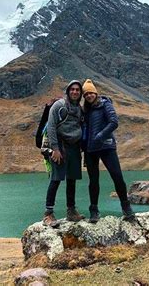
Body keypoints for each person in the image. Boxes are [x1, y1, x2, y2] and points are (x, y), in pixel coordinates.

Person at [82, 79, 134, 223]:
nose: (89, 96)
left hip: (106, 146)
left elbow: (114, 122)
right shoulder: (86, 110)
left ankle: (126, 207)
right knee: (93, 181)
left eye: (91, 93)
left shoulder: (105, 104)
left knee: (117, 176)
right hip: (91, 150)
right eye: (86, 94)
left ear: (95, 93)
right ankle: (94, 211)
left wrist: (100, 136)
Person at [43, 80, 85, 227]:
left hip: (74, 147)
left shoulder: (79, 108)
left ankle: (71, 211)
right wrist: (55, 149)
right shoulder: (59, 105)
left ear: (80, 94)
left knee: (72, 179)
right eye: (72, 89)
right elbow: (52, 126)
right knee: (56, 179)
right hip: (60, 147)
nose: (74, 92)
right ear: (68, 91)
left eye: (77, 90)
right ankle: (48, 214)